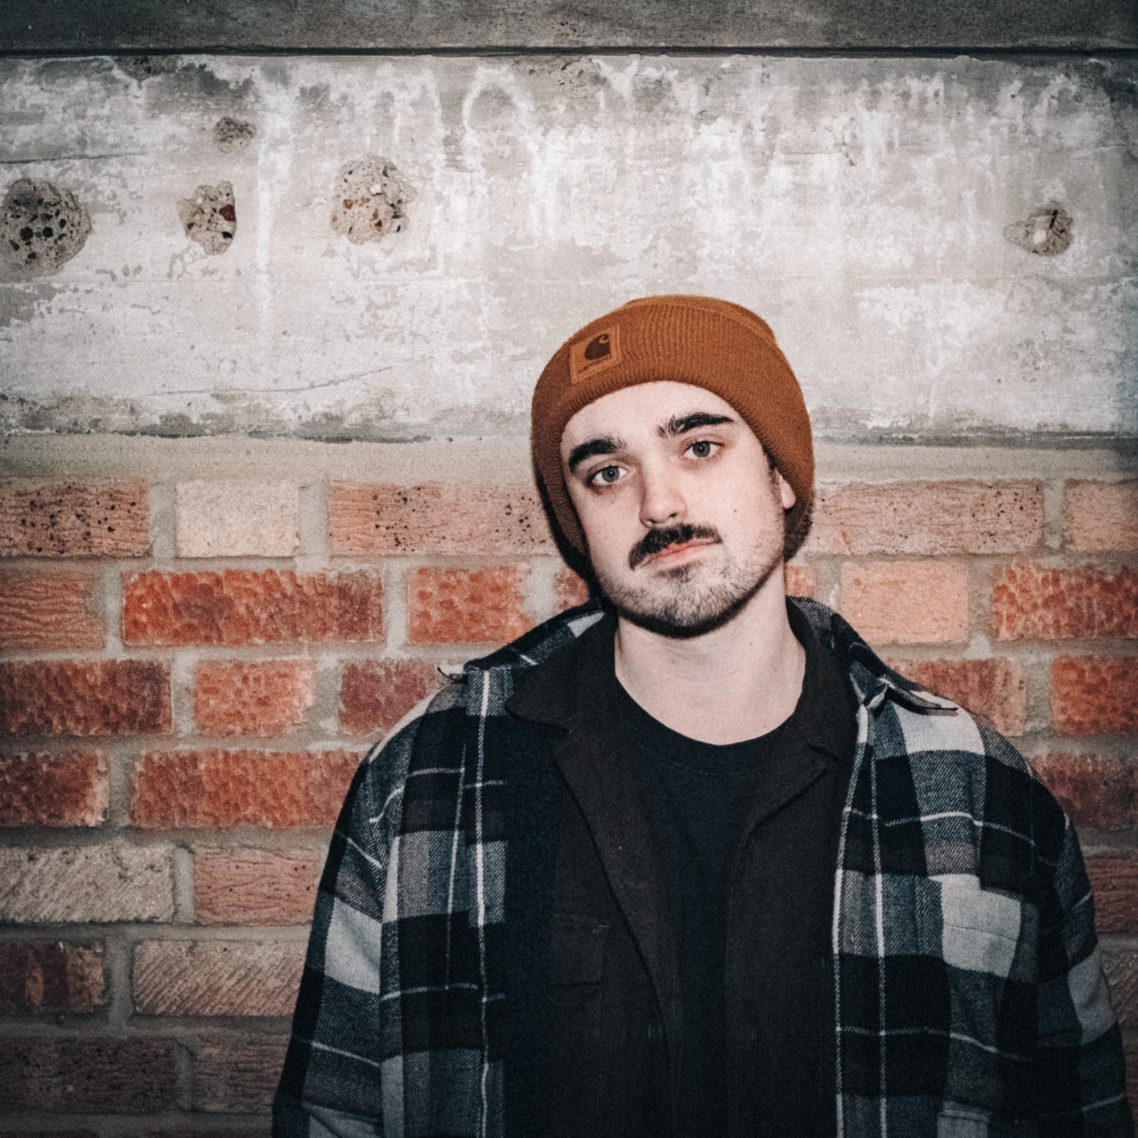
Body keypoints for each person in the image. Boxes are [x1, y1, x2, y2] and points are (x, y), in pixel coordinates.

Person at [273, 295, 1133, 1137]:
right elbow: (332, 1111)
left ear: (783, 478)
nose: (658, 503)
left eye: (700, 445)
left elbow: (1074, 1107)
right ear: (576, 522)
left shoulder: (976, 795)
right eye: (606, 472)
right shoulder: (431, 775)